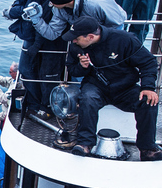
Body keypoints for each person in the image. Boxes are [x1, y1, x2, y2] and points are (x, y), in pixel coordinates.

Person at [63, 16, 162, 160]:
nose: (73, 41)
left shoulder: (124, 39)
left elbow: (148, 62)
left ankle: (147, 148)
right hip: (95, 86)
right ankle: (85, 143)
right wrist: (81, 66)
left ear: (90, 36)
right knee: (88, 98)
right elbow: (72, 70)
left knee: (148, 101)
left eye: (76, 38)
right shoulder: (76, 47)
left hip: (125, 87)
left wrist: (148, 87)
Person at [2, 0, 66, 118]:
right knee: (29, 70)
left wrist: (37, 44)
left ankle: (46, 107)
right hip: (39, 35)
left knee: (47, 75)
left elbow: (46, 17)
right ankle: (37, 102)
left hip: (52, 40)